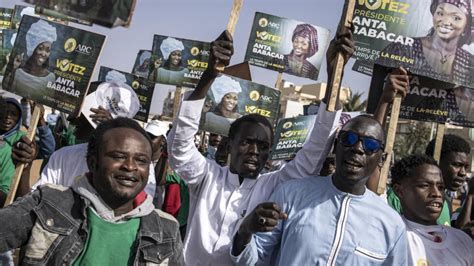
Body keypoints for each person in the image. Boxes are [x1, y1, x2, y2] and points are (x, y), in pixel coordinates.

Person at [167, 27, 353, 264]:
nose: (255, 151)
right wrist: (209, 76)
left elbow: (315, 151)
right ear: (229, 144)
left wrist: (334, 74)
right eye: (246, 142)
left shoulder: (275, 185)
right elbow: (180, 146)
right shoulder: (207, 176)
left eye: (263, 146)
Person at [0, 117, 184, 265]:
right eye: (118, 156)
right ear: (92, 162)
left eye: (141, 160)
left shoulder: (166, 230)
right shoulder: (48, 203)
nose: (130, 166)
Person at [231, 113, 408, 265]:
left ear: (382, 159)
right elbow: (253, 260)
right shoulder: (291, 194)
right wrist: (245, 231)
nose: (357, 149)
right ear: (336, 145)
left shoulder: (391, 224)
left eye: (370, 145)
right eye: (349, 139)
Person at [28, 82, 156, 198]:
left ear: (99, 119)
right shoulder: (63, 157)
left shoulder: (139, 166)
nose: (72, 118)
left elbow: (138, 206)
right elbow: (37, 201)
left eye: (81, 113)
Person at [391, 154, 474, 264]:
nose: (436, 194)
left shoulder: (463, 241)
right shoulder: (392, 237)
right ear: (399, 191)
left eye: (441, 187)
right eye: (424, 185)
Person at [376, 0, 473, 86]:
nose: (445, 22)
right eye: (440, 13)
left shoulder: (470, 64)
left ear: (466, 27)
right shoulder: (402, 48)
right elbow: (375, 85)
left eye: (456, 18)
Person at [3, 19, 57, 99]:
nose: (43, 54)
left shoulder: (50, 78)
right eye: (40, 48)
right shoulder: (18, 72)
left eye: (47, 50)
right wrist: (14, 68)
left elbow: (50, 101)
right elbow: (5, 89)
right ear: (32, 48)